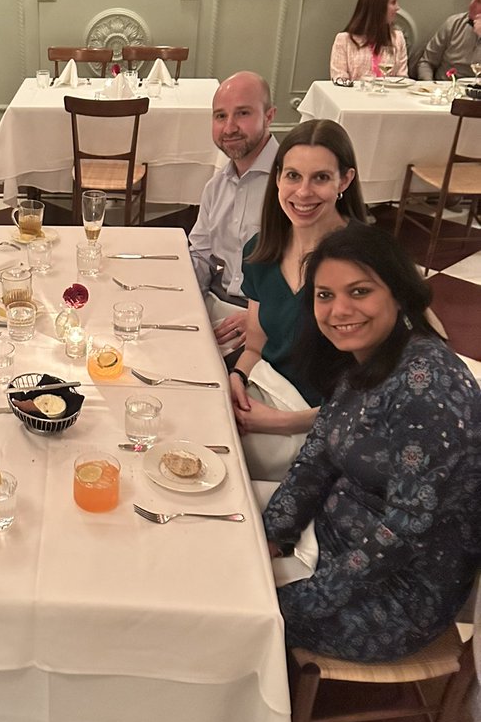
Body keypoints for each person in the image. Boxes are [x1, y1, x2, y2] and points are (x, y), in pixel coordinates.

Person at [263, 225, 481, 661]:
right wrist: (271, 534)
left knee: (232, 613)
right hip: (333, 539)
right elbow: (318, 456)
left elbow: (406, 529)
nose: (339, 309)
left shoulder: (426, 386)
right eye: (324, 295)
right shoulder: (366, 359)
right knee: (215, 538)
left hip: (398, 595)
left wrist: (306, 597)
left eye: (359, 292)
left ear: (398, 294)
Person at [230, 119, 368, 481]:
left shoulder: (367, 261)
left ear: (345, 181)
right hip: (269, 394)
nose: (303, 192)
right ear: (277, 178)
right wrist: (236, 376)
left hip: (332, 422)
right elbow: (256, 348)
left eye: (320, 178)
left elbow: (376, 390)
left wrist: (286, 423)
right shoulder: (261, 251)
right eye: (293, 176)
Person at [187, 71, 278, 358]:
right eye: (220, 116)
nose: (229, 127)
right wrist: (184, 301)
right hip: (220, 306)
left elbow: (310, 274)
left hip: (272, 321)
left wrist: (264, 319)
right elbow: (200, 255)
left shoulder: (293, 183)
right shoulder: (216, 186)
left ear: (269, 116)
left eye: (243, 113)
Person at [329, 0, 407, 81]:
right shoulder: (344, 40)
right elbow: (339, 79)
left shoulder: (397, 38)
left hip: (390, 95)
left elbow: (402, 79)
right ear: (378, 7)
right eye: (393, 2)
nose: (397, 8)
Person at [416, 0, 481, 81]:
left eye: (479, 2)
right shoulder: (454, 23)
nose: (471, 5)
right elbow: (426, 63)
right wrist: (429, 86)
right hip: (445, 88)